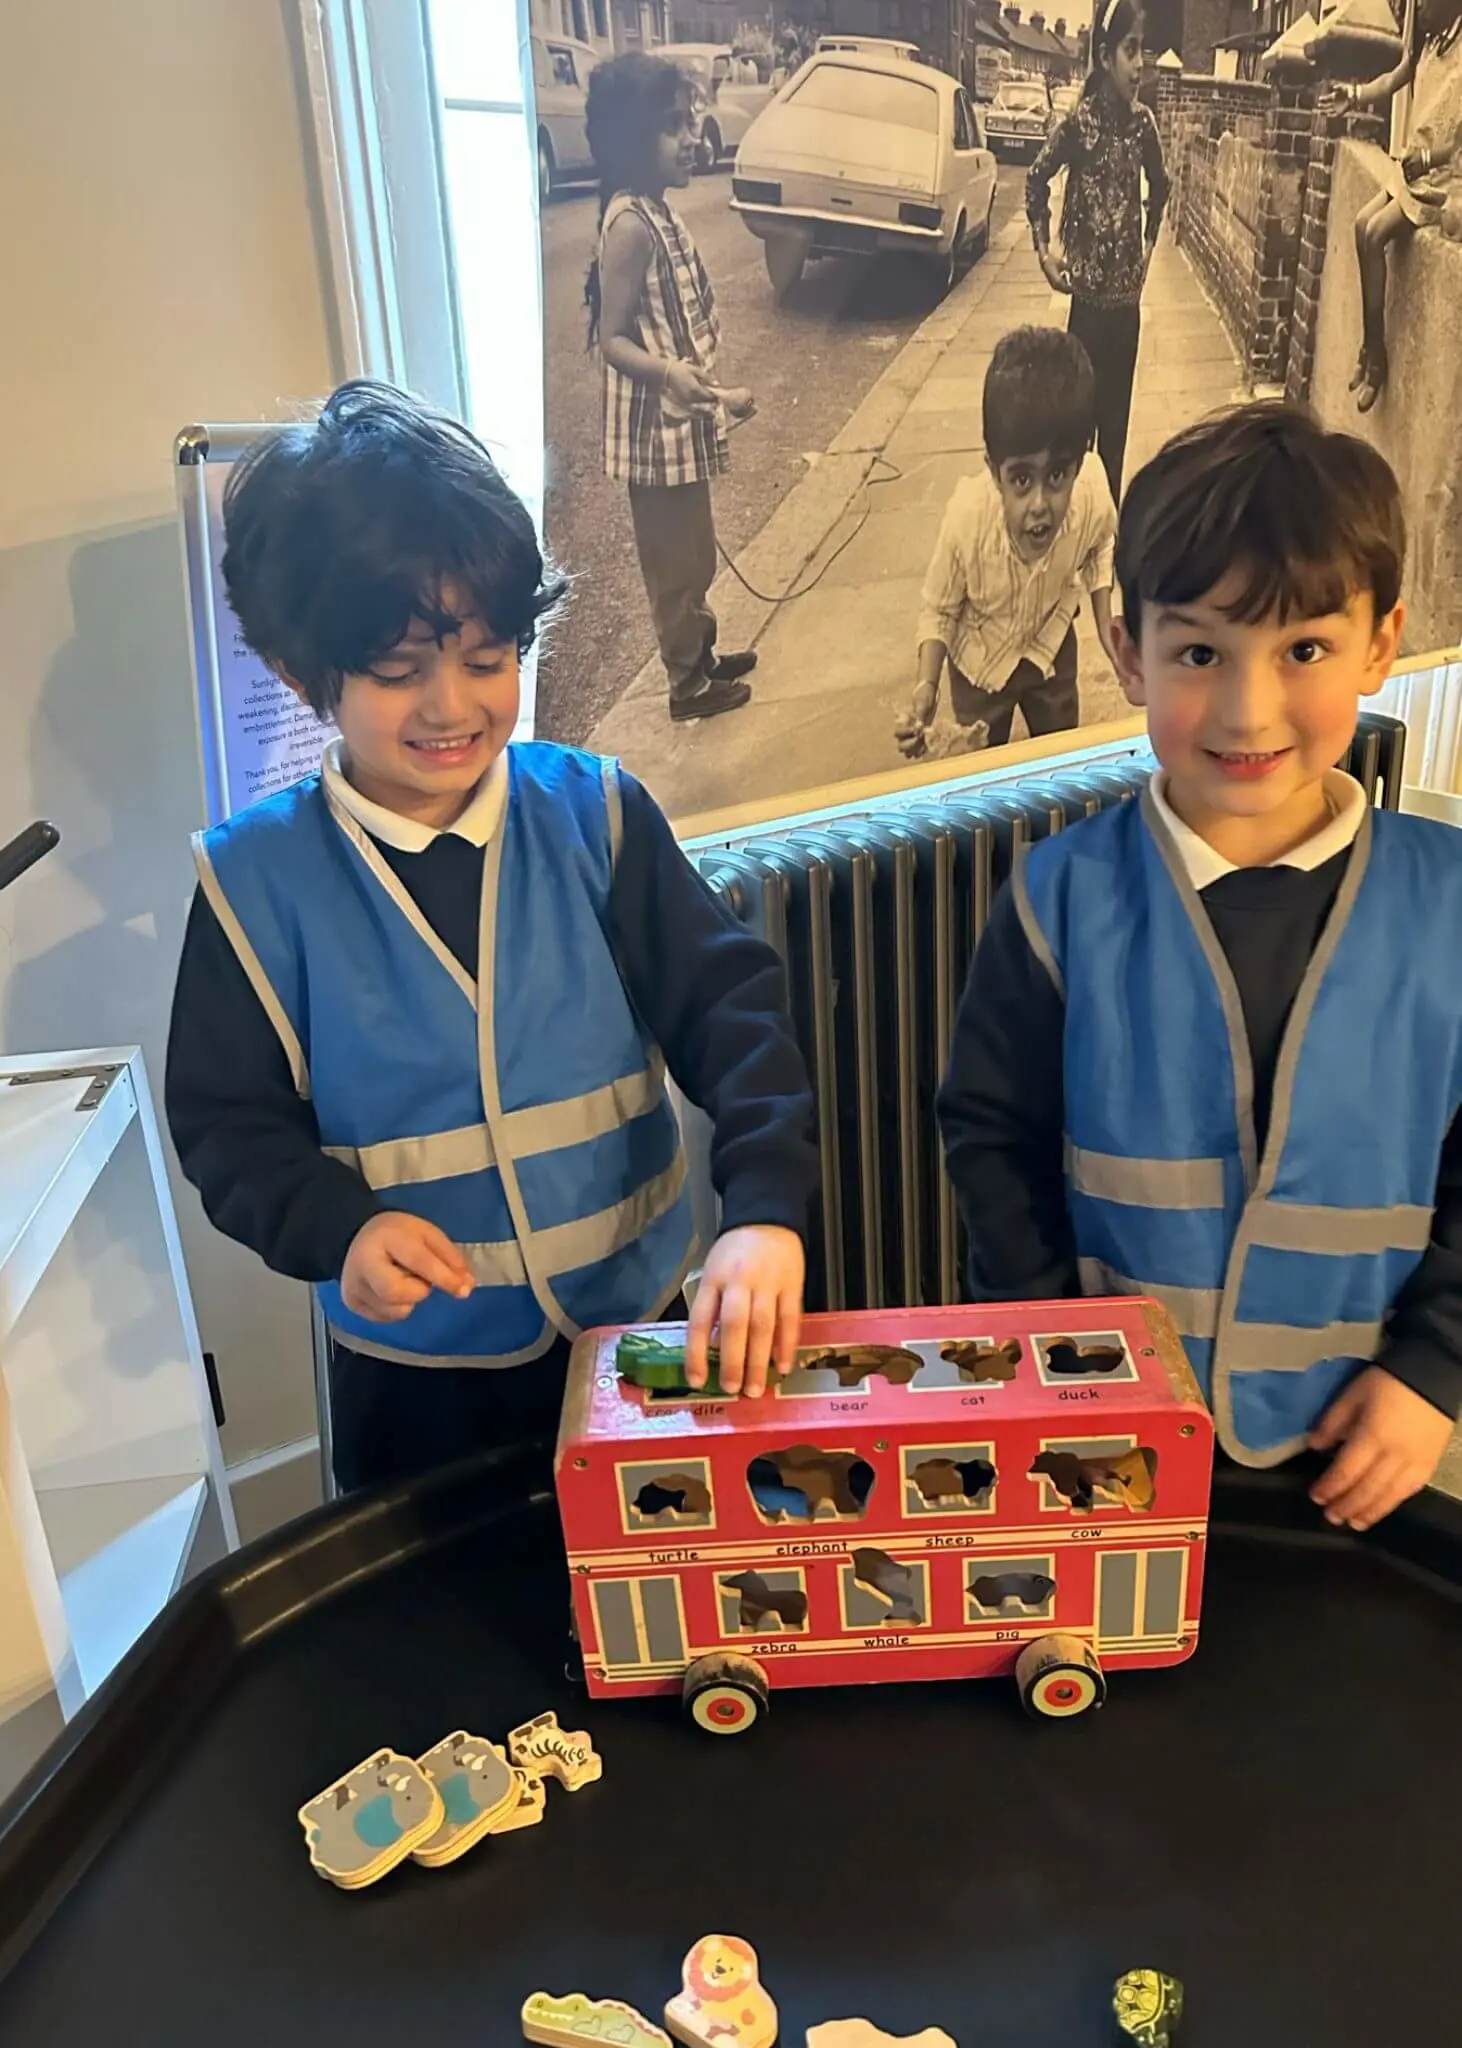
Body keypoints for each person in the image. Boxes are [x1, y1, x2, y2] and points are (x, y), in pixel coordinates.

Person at [165, 381, 818, 1495]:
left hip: (639, 1335)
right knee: (446, 1646)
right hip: (418, 1384)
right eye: (397, 669)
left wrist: (765, 1212)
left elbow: (735, 1016)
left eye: (485, 656)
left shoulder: (598, 816)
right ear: (297, 671)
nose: (451, 703)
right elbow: (227, 1124)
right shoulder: (253, 884)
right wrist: (339, 1230)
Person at [937, 401, 1462, 1532]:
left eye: (1304, 649)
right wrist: (1042, 1376)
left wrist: (1436, 1371)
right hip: (1107, 1447)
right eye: (1198, 651)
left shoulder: (1449, 902)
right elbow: (993, 1141)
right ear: (1128, 651)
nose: (1246, 707)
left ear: (1381, 643)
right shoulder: (1055, 900)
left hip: (1365, 1451)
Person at [585, 52, 757, 723]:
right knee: (671, 566)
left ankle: (703, 650)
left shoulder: (658, 211)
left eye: (690, 123)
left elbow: (675, 328)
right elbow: (616, 340)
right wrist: (669, 376)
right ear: (634, 140)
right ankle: (686, 683)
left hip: (681, 421)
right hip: (653, 435)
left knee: (697, 550)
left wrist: (721, 392)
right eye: (672, 129)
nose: (692, 138)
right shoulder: (629, 224)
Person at [894, 327, 1120, 761]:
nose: (1039, 505)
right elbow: (939, 609)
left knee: (1060, 760)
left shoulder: (1092, 488)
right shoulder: (966, 521)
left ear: (1079, 461)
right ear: (994, 470)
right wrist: (927, 686)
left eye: (1057, 475)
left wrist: (1106, 625)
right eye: (1020, 478)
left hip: (1049, 646)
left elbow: (1100, 546)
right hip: (979, 662)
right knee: (979, 771)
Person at [1025, 0, 1170, 501]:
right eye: (1131, 51)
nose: (1140, 64)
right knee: (1077, 433)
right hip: (1085, 312)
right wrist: (1045, 252)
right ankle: (1074, 528)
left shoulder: (1143, 126)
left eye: (1143, 51)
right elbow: (1035, 179)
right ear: (1106, 57)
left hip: (1125, 314)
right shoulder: (1080, 125)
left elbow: (1162, 187)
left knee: (1115, 436)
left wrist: (1148, 251)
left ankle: (1103, 538)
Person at [1318, 0, 1461, 411]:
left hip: (1439, 183)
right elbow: (1395, 78)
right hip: (1410, 170)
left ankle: (1376, 357)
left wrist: (1431, 159)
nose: (1420, 9)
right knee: (1361, 224)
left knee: (1377, 232)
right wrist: (1356, 95)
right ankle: (1368, 344)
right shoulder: (1430, 44)